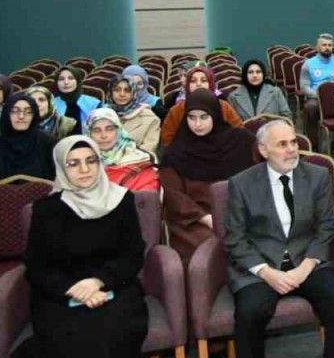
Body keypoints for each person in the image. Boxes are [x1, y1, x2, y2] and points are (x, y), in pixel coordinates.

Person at [226, 119, 334, 358]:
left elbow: (327, 227)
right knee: (250, 312)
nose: (292, 149)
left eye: (293, 142)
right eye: (282, 144)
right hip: (262, 266)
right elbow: (235, 238)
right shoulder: (241, 184)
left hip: (306, 260)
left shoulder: (317, 176)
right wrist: (267, 273)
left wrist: (305, 267)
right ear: (263, 150)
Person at [24, 137, 147, 358]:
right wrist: (74, 290)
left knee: (113, 333)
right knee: (72, 337)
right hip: (61, 295)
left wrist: (99, 281)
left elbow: (133, 254)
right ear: (61, 167)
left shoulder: (121, 200)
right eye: (73, 163)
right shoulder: (46, 209)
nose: (84, 169)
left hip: (114, 287)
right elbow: (36, 266)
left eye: (91, 161)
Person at [161, 89, 257, 264]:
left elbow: (259, 177)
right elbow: (174, 196)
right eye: (191, 117)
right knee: (208, 252)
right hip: (197, 220)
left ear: (215, 114)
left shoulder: (242, 141)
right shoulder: (175, 152)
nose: (197, 124)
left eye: (204, 117)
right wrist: (206, 219)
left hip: (241, 213)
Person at [0, 93, 55, 187]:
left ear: (34, 115)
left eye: (28, 112)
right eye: (14, 111)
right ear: (6, 114)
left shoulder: (48, 144)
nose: (21, 116)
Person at [160, 65, 245, 146]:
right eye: (193, 81)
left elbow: (239, 132)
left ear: (210, 84)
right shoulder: (177, 110)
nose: (198, 84)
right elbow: (167, 140)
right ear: (187, 85)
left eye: (204, 81)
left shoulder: (224, 106)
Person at [86, 108, 159, 192]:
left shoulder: (140, 162)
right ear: (88, 133)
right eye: (96, 130)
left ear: (119, 131)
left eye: (109, 129)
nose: (104, 135)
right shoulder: (81, 162)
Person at [300, 34, 334, 135]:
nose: (327, 48)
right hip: (317, 98)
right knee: (310, 108)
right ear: (318, 47)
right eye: (324, 45)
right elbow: (304, 87)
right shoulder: (308, 64)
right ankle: (313, 142)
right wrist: (320, 96)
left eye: (329, 45)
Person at [103, 75, 161, 154]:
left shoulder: (150, 118)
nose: (122, 94)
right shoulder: (101, 114)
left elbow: (148, 150)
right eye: (117, 90)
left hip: (135, 160)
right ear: (110, 92)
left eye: (127, 90)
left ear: (134, 92)